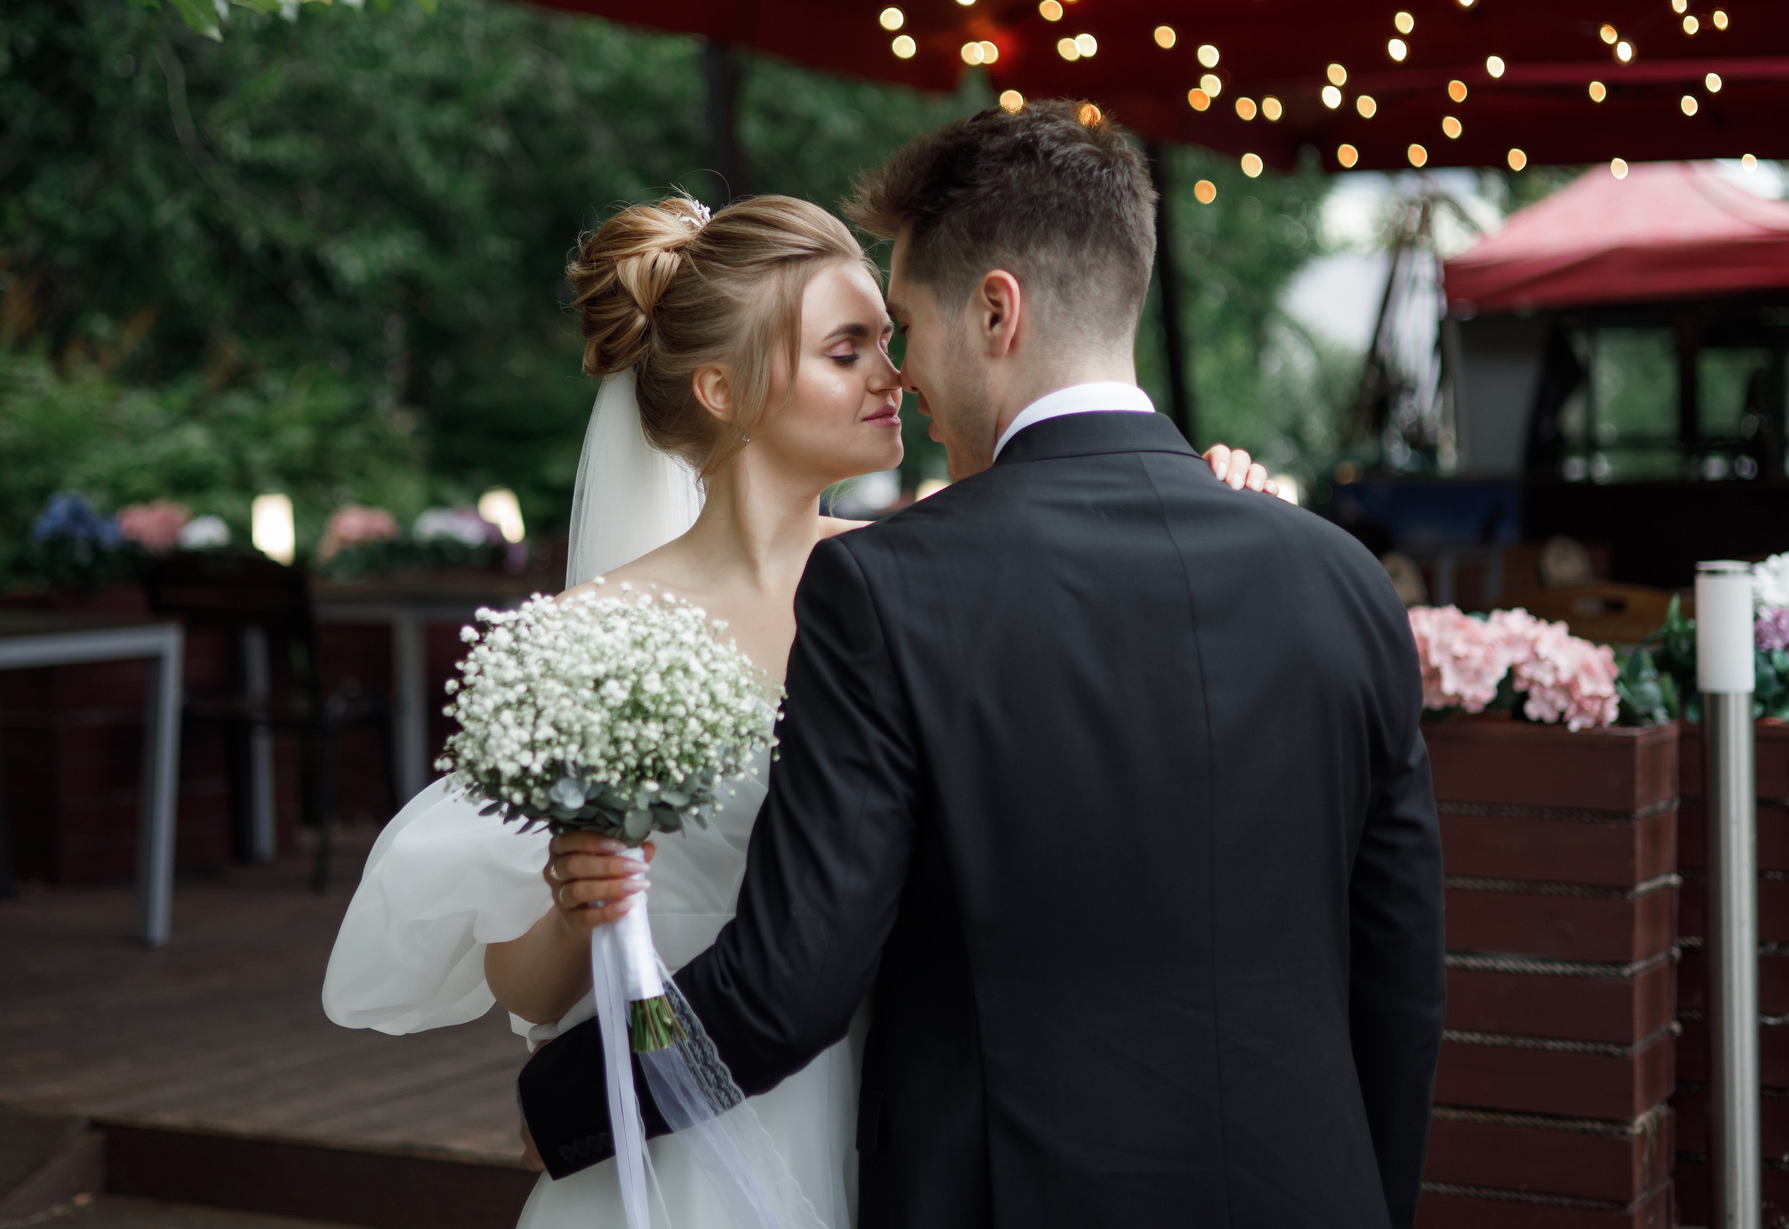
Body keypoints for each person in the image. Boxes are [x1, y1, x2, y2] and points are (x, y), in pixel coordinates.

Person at [515, 103, 1446, 1228]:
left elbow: (785, 988)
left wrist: (565, 1100)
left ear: (996, 311)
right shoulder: (1344, 580)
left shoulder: (885, 589)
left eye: (904, 324)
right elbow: (1402, 987)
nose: (902, 372)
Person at [321, 177, 1283, 1229]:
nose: (895, 374)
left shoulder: (927, 581)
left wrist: (1202, 510)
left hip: (895, 1117)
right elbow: (530, 993)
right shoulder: (587, 634)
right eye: (846, 350)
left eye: (887, 341)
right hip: (677, 1136)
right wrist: (573, 907)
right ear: (724, 390)